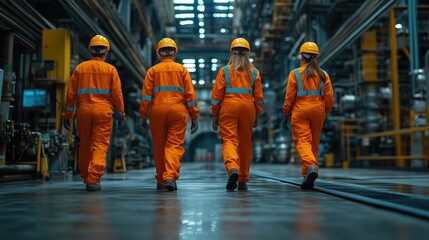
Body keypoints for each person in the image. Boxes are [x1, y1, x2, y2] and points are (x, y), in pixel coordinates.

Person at [62, 35, 126, 191]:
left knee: (84, 144)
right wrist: (121, 113)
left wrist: (67, 115)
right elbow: (117, 94)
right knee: (100, 145)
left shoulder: (80, 68)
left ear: (91, 51)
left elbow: (70, 94)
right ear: (106, 52)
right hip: (103, 112)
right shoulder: (111, 70)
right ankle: (93, 178)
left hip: (83, 111)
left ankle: (86, 175)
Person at [139, 38, 199, 191]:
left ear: (159, 53)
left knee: (159, 146)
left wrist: (143, 115)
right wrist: (194, 116)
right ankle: (170, 177)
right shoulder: (182, 70)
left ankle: (161, 180)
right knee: (173, 145)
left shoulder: (152, 71)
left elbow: (146, 97)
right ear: (175, 52)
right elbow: (190, 96)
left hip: (157, 111)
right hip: (178, 111)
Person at [211, 38, 264, 191]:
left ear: (232, 52)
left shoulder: (224, 71)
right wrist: (257, 114)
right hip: (248, 108)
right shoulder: (254, 72)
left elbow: (216, 96)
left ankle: (233, 167)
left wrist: (215, 114)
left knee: (229, 140)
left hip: (229, 107)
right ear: (248, 53)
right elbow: (259, 98)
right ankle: (242, 179)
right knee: (245, 144)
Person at [281, 41, 334, 189]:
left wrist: (285, 113)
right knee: (314, 145)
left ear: (302, 57)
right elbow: (329, 98)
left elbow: (289, 97)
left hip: (300, 110)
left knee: (303, 141)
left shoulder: (295, 74)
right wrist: (325, 112)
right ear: (316, 57)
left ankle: (310, 167)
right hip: (318, 110)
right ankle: (308, 176)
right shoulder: (324, 75)